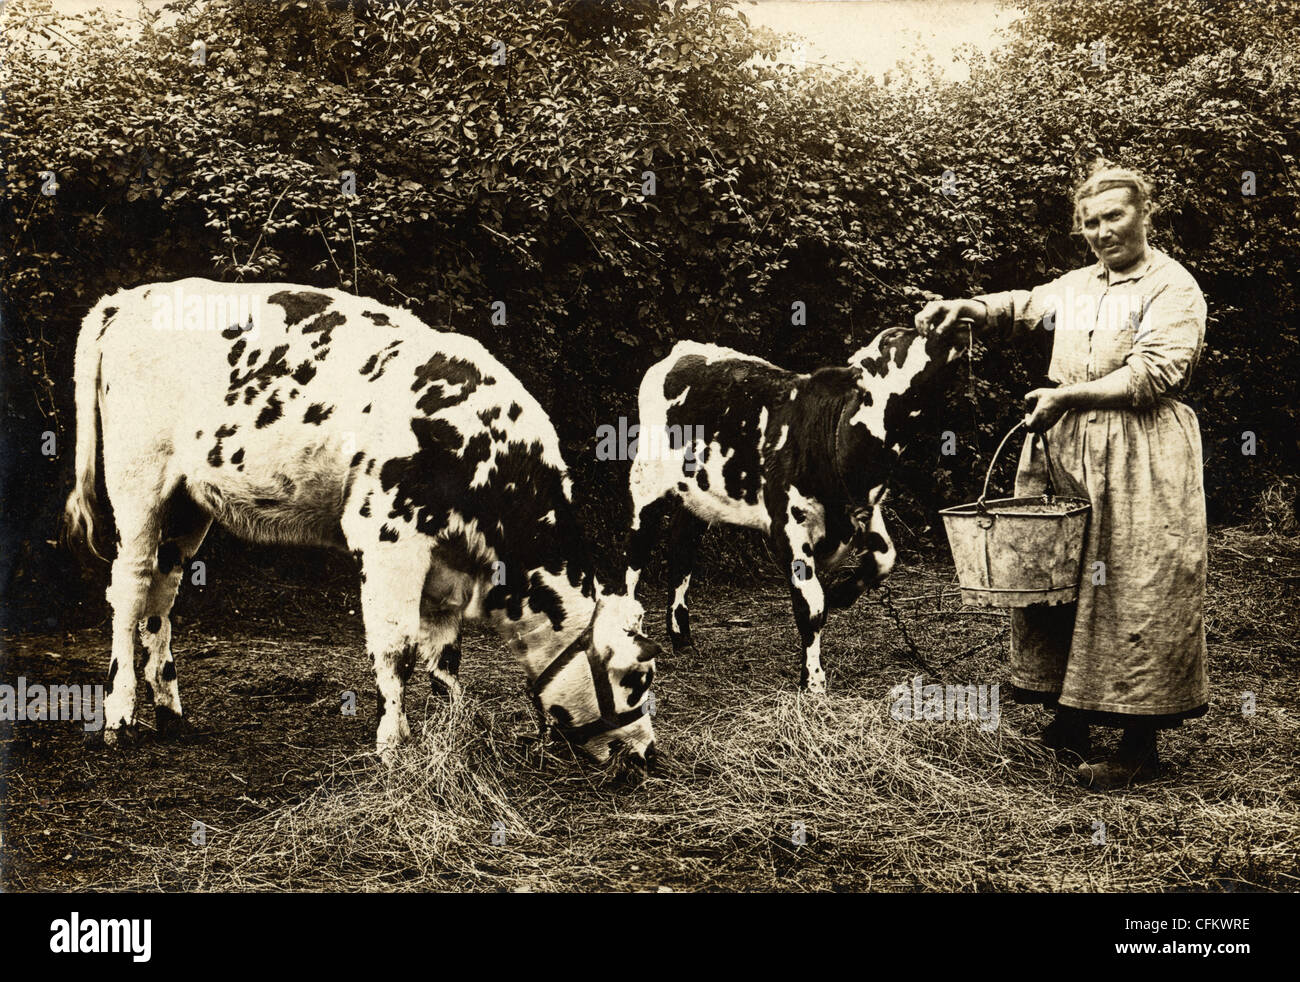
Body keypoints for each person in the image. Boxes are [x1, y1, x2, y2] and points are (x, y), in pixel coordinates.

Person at [915, 162, 1210, 789]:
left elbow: (1153, 374)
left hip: (1141, 454)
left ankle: (1139, 744)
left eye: (1115, 216)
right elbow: (1026, 304)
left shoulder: (1173, 287)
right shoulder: (1080, 283)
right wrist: (969, 305)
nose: (1103, 232)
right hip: (1064, 447)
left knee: (1138, 584)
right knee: (1054, 576)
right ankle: (1067, 720)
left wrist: (1068, 397)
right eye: (1091, 222)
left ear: (1145, 213)